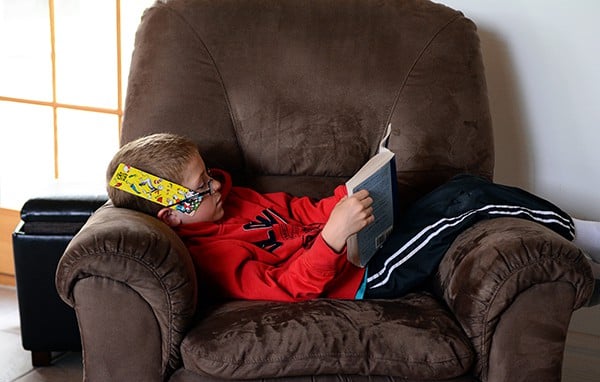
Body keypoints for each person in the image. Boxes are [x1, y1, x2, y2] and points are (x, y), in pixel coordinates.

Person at [106, 132, 600, 304]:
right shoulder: (214, 257)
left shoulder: (235, 201)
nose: (215, 185)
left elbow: (299, 211)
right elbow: (288, 289)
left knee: (460, 186)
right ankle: (580, 244)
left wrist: (351, 194)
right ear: (171, 216)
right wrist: (333, 239)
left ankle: (580, 242)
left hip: (362, 243)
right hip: (363, 279)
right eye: (200, 189)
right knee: (462, 205)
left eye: (209, 173)